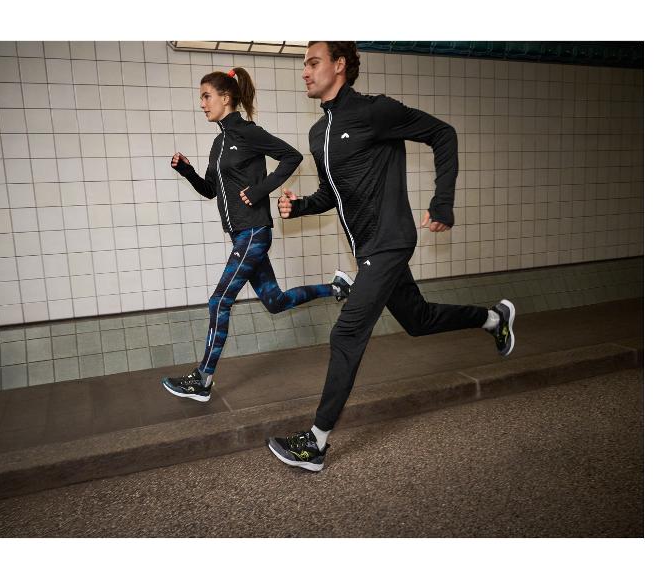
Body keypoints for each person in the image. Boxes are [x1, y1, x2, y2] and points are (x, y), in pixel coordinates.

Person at [266, 42, 516, 472]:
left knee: (346, 335)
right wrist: (302, 205)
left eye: (313, 62)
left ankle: (317, 443)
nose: (304, 72)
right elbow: (333, 192)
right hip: (368, 249)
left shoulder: (374, 111)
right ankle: (494, 318)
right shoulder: (318, 132)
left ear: (339, 65)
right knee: (417, 321)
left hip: (390, 241)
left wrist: (442, 203)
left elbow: (443, 133)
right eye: (304, 65)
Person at [163, 67, 354, 403]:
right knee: (275, 302)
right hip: (242, 236)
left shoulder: (246, 132)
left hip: (254, 232)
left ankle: (203, 379)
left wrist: (260, 189)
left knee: (219, 301)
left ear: (226, 97)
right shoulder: (219, 142)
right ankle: (338, 287)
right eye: (201, 98)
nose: (202, 104)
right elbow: (210, 191)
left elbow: (291, 156)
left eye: (206, 96)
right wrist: (187, 171)